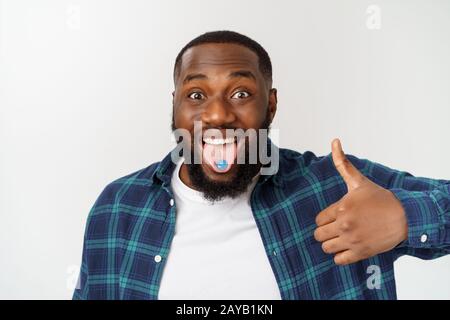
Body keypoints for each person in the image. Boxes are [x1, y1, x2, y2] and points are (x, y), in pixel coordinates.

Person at [73, 30, 449, 300]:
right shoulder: (117, 207)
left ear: (270, 105)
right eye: (197, 94)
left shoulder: (337, 187)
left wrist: (404, 217)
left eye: (240, 93)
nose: (218, 114)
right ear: (175, 106)